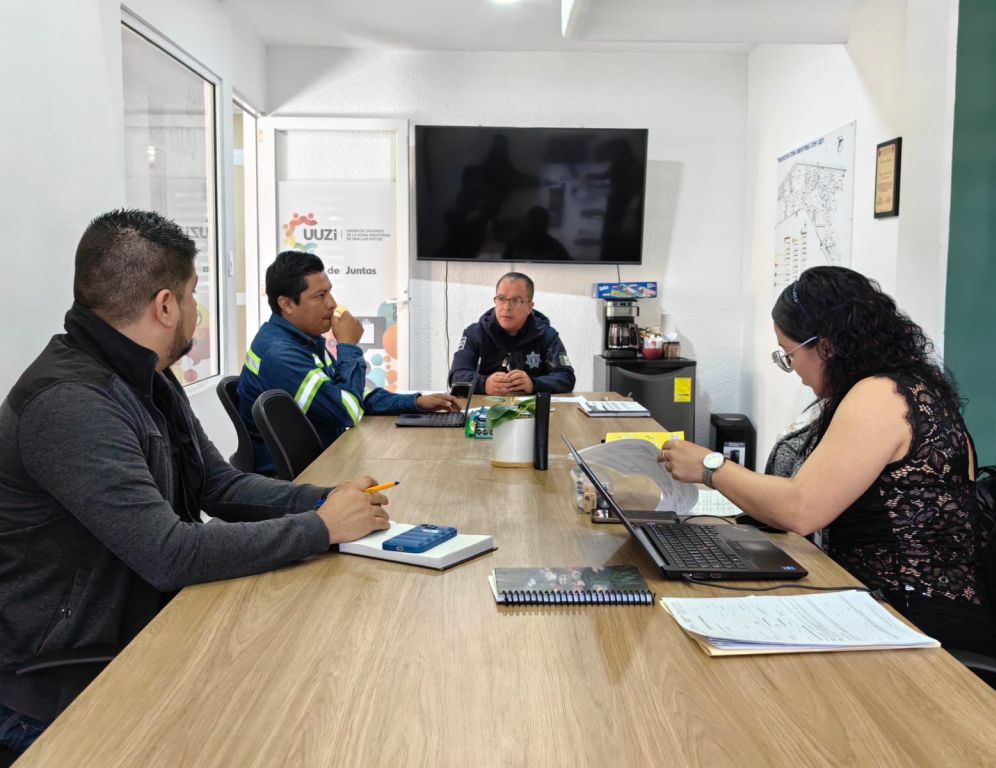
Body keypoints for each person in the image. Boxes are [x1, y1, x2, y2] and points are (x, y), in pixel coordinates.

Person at [0, 210, 392, 754]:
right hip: (65, 688)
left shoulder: (146, 376)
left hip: (140, 633)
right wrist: (321, 527)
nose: (195, 311)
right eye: (192, 295)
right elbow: (169, 553)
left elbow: (217, 485)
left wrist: (327, 500)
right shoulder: (71, 404)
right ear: (166, 306)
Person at [660, 266, 996, 657]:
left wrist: (710, 467)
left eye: (789, 355)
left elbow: (801, 509)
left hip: (918, 624)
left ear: (825, 346)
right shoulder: (906, 386)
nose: (794, 370)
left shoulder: (881, 396)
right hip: (888, 610)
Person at [237, 251, 458, 474]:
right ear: (286, 304)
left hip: (322, 459)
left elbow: (350, 395)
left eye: (329, 292)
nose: (332, 304)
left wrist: (414, 402)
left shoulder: (304, 340)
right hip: (302, 477)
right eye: (320, 296)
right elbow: (347, 411)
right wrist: (348, 347)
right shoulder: (279, 353)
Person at [449, 272, 575, 395]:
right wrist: (484, 384)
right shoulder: (475, 334)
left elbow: (566, 377)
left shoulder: (546, 335)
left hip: (530, 407)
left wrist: (533, 384)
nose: (507, 307)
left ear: (529, 307)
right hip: (483, 407)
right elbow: (456, 376)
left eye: (516, 300)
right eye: (501, 299)